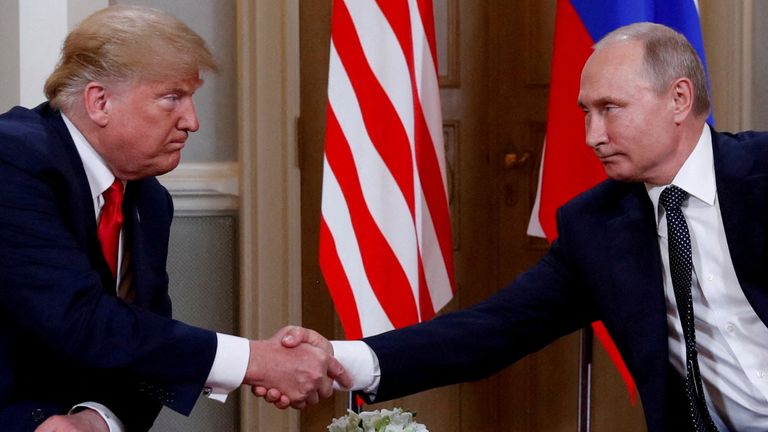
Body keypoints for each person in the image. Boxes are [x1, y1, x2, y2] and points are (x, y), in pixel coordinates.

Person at [269, 22, 768, 431]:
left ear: (679, 98)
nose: (592, 136)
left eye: (610, 109)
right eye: (585, 113)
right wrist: (341, 358)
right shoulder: (595, 226)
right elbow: (495, 329)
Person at [0, 5, 350, 432]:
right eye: (172, 97)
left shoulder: (148, 199)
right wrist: (255, 360)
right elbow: (79, 319)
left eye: (192, 97)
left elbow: (144, 344)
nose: (193, 121)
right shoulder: (13, 160)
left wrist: (97, 420)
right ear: (99, 102)